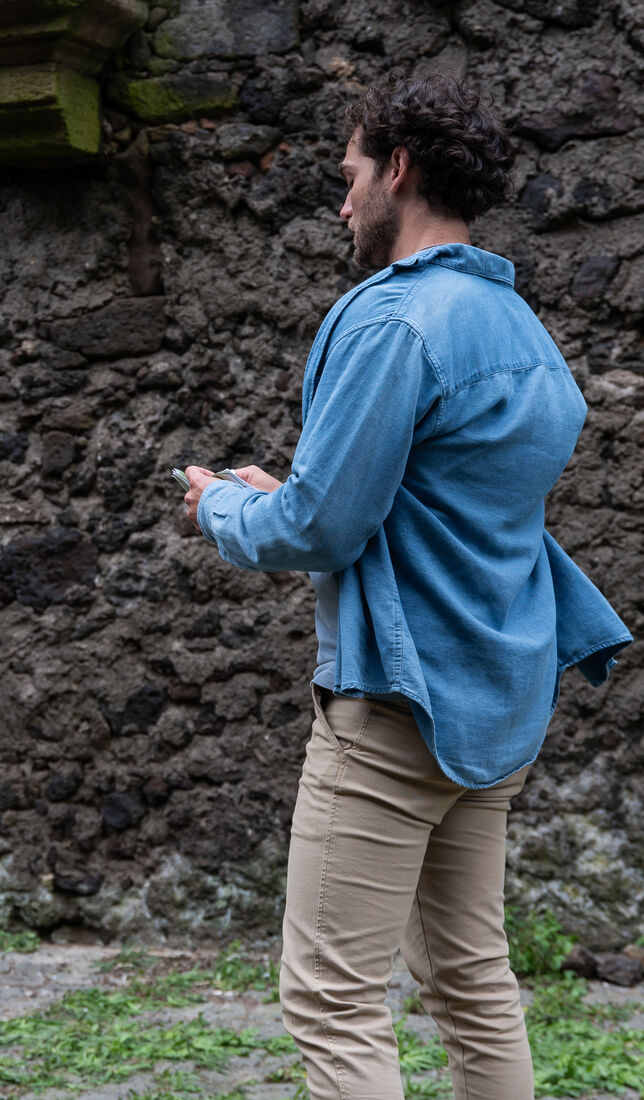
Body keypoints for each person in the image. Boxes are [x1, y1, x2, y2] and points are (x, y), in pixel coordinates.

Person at [182, 72, 631, 1099]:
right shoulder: (522, 331)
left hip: (393, 704)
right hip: (497, 695)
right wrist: (292, 489)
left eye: (348, 175)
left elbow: (319, 524)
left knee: (330, 994)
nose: (340, 202)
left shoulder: (389, 322)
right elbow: (437, 497)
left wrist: (215, 505)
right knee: (470, 980)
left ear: (396, 169)